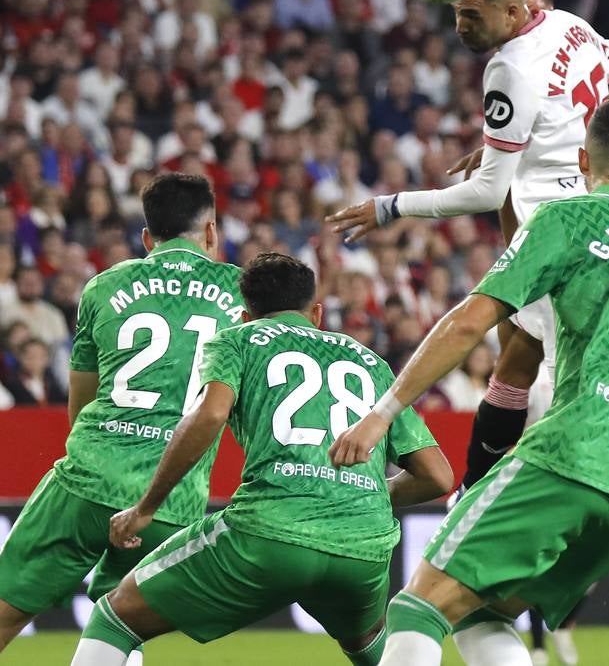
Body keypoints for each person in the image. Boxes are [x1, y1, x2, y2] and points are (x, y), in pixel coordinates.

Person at [330, 0, 609, 661]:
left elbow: (494, 194)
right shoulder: (592, 40)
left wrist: (393, 207)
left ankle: (492, 490)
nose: (462, 28)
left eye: (471, 14)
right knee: (530, 369)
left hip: (574, 234)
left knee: (537, 365)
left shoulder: (513, 67)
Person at [70, 252, 453, 666]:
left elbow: (211, 413)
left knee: (114, 617)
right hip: (361, 552)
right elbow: (437, 476)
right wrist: (347, 494)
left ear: (245, 313)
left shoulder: (236, 339)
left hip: (267, 534)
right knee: (372, 649)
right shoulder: (371, 363)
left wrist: (146, 508)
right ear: (317, 312)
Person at [0, 174, 244, 666]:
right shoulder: (243, 298)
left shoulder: (104, 286)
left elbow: (80, 406)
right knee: (119, 631)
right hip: (173, 500)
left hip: (89, 479)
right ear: (210, 233)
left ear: (146, 238)